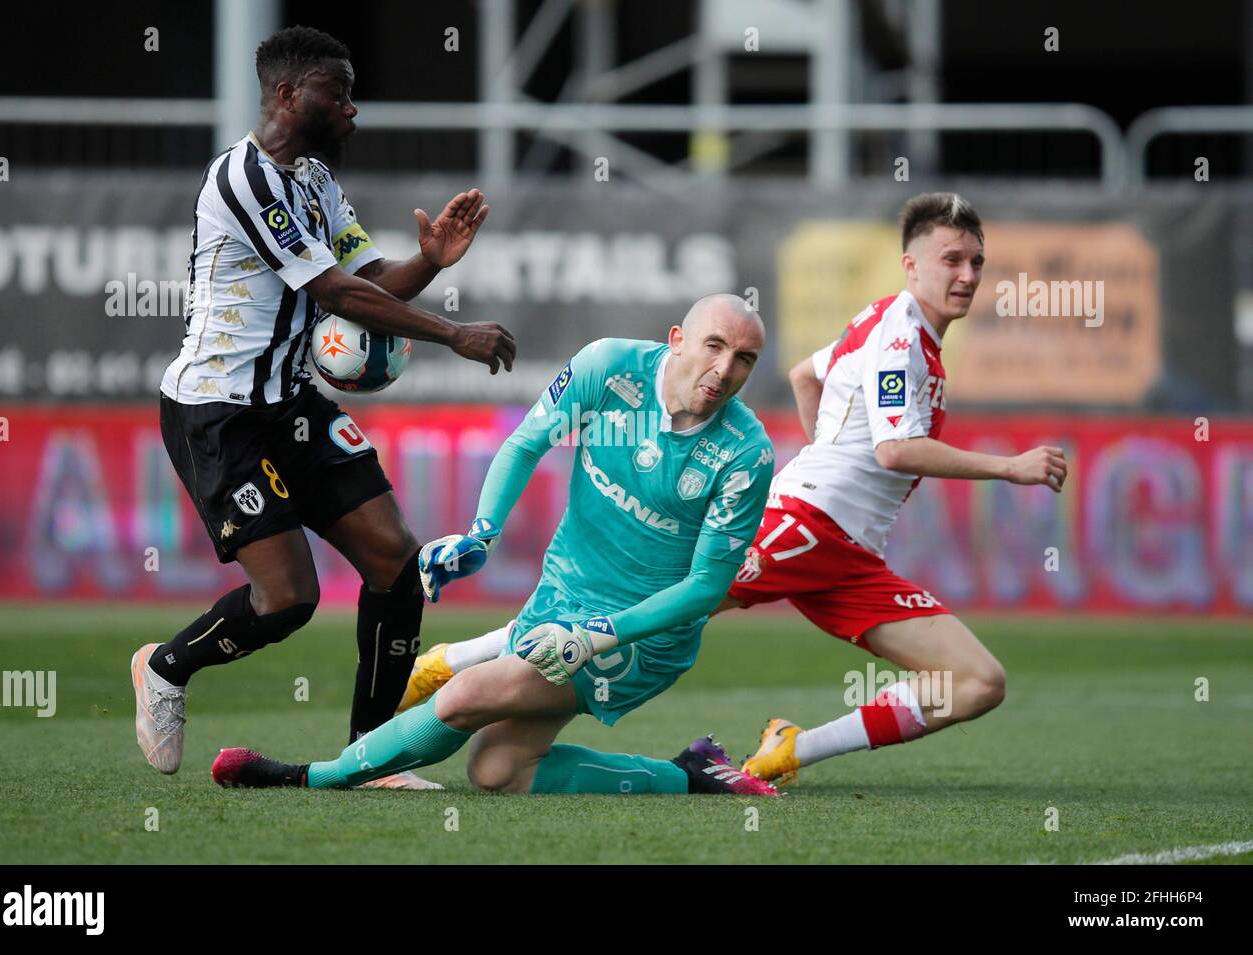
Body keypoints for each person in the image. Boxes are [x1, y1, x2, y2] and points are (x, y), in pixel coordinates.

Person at [401, 193, 1068, 787]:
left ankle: (792, 748)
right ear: (912, 265)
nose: (967, 275)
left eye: (977, 263)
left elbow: (808, 375)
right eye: (952, 259)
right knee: (651, 604)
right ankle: (451, 664)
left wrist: (824, 454)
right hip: (806, 524)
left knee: (979, 681)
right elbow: (894, 448)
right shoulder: (901, 340)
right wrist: (1010, 468)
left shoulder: (885, 323)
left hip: (848, 549)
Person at [132, 25, 515, 779]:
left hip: (290, 402)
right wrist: (452, 334)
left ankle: (369, 758)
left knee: (396, 562)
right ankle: (166, 668)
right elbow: (333, 292)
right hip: (218, 411)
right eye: (336, 94)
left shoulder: (313, 180)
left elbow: (367, 280)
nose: (352, 110)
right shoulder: (243, 179)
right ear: (286, 95)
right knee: (287, 599)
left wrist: (428, 262)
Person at [210, 294, 779, 797]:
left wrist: (598, 634)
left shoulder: (744, 452)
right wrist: (482, 534)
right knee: (499, 770)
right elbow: (527, 443)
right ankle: (694, 774)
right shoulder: (610, 367)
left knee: (463, 698)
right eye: (714, 345)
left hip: (639, 635)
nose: (724, 369)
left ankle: (310, 777)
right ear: (677, 341)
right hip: (560, 599)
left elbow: (705, 589)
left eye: (744, 358)